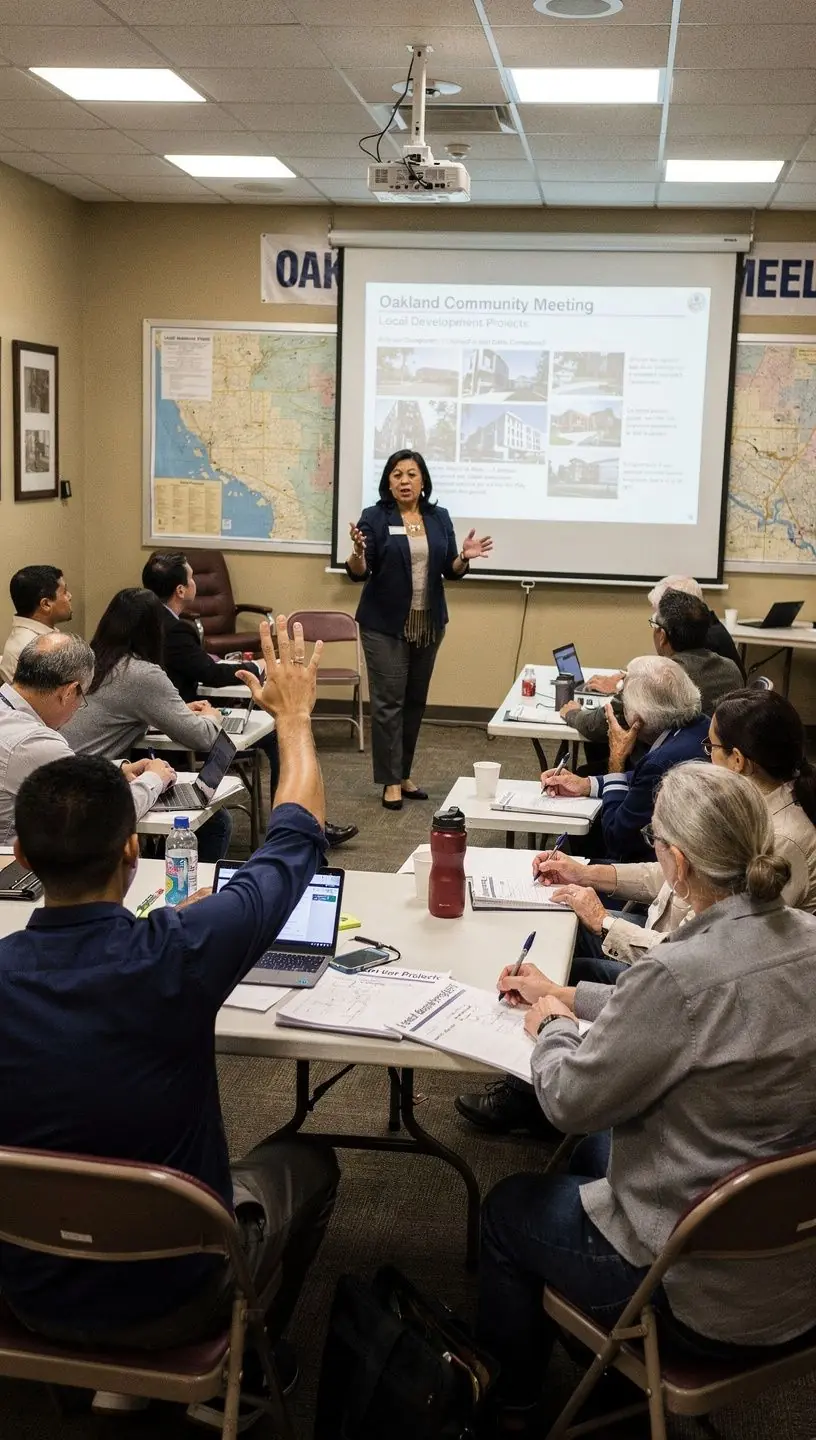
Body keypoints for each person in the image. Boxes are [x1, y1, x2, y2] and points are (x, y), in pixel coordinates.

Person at [0, 619, 338, 1433]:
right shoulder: (182, 950)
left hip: (23, 1289)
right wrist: (293, 719)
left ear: (24, 858)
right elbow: (296, 835)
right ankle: (249, 1354)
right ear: (131, 852)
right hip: (175, 1295)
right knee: (310, 1161)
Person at [477, 763, 816, 1434]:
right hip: (796, 1276)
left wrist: (555, 1028)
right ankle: (604, 1377)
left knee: (508, 1211)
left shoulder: (680, 974)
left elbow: (569, 1100)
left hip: (695, 1295)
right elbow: (678, 1011)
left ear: (677, 863)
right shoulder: (805, 937)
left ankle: (510, 1413)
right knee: (592, 1159)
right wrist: (571, 993)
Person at [141, 552, 358, 849]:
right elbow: (210, 673)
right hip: (183, 722)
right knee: (276, 732)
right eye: (191, 578)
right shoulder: (176, 628)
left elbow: (197, 666)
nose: (195, 583)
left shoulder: (151, 620)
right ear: (180, 590)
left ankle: (296, 820)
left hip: (176, 712)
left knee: (269, 731)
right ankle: (299, 824)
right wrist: (257, 666)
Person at [345, 450, 492, 809]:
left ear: (423, 480)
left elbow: (449, 569)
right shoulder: (375, 518)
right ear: (388, 482)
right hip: (384, 624)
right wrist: (358, 553)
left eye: (411, 474)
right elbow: (360, 569)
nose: (404, 481)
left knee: (413, 703)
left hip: (427, 624)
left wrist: (464, 557)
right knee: (388, 703)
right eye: (397, 475)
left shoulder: (438, 518)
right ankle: (389, 781)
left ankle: (404, 772)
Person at [63, 588, 233, 862]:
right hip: (92, 787)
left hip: (68, 774)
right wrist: (214, 716)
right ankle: (189, 893)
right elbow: (203, 738)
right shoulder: (141, 673)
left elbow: (119, 709)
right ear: (156, 630)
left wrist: (168, 711)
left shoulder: (92, 659)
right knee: (216, 822)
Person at [0, 632, 174, 844]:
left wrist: (115, 771)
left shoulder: (9, 714)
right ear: (69, 691)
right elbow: (105, 818)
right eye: (82, 698)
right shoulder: (32, 742)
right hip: (19, 869)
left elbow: (59, 769)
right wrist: (155, 779)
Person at [541, 656, 709, 863]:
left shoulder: (660, 762)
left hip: (655, 866)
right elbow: (643, 781)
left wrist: (617, 761)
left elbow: (616, 838)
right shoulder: (701, 725)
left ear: (636, 719)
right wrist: (587, 784)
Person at [563, 589, 742, 755]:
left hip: (659, 769)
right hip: (713, 764)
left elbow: (598, 726)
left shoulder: (656, 679)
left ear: (662, 635)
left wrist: (573, 713)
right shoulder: (730, 669)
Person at [0, 565, 73, 683]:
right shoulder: (34, 650)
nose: (70, 596)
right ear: (46, 604)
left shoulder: (34, 636)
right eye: (64, 592)